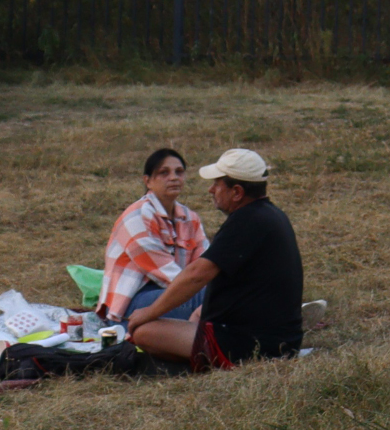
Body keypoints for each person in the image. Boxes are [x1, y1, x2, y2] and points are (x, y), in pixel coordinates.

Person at [121, 148, 304, 369]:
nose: (211, 190)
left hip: (247, 343)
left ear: (236, 192)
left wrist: (149, 312)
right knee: (191, 318)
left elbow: (196, 274)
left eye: (217, 184)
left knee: (144, 332)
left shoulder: (246, 220)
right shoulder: (271, 215)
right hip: (280, 340)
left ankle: (205, 361)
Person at [100, 148, 209, 327]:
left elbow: (204, 266)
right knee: (212, 297)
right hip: (132, 308)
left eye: (179, 172)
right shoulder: (137, 216)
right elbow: (168, 276)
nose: (174, 178)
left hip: (173, 293)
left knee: (223, 292)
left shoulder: (191, 218)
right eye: (164, 173)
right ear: (148, 181)